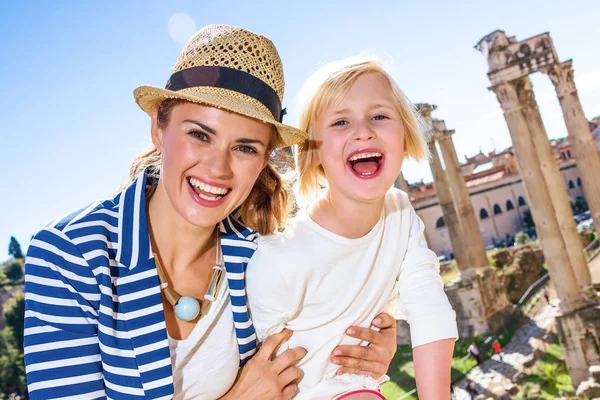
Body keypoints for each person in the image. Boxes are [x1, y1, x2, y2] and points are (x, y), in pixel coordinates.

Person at [23, 25, 397, 400]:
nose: (218, 169)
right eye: (200, 135)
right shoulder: (69, 256)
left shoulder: (258, 253)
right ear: (158, 126)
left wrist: (363, 355)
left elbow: (314, 360)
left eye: (246, 148)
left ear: (265, 159)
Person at [247, 56, 458, 399]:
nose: (363, 131)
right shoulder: (282, 258)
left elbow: (430, 310)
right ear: (312, 154)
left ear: (405, 137)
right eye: (341, 122)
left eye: (379, 116)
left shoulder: (400, 212)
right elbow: (248, 361)